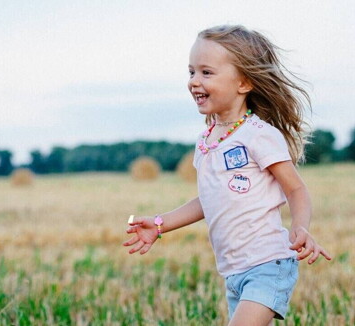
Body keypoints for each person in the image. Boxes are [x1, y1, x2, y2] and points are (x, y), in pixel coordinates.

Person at [123, 24, 331, 326]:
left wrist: (300, 227)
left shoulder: (259, 135)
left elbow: (296, 190)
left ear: (244, 82)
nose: (194, 81)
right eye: (191, 72)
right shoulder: (207, 142)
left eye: (206, 73)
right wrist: (160, 223)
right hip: (233, 272)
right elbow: (208, 199)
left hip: (268, 264)